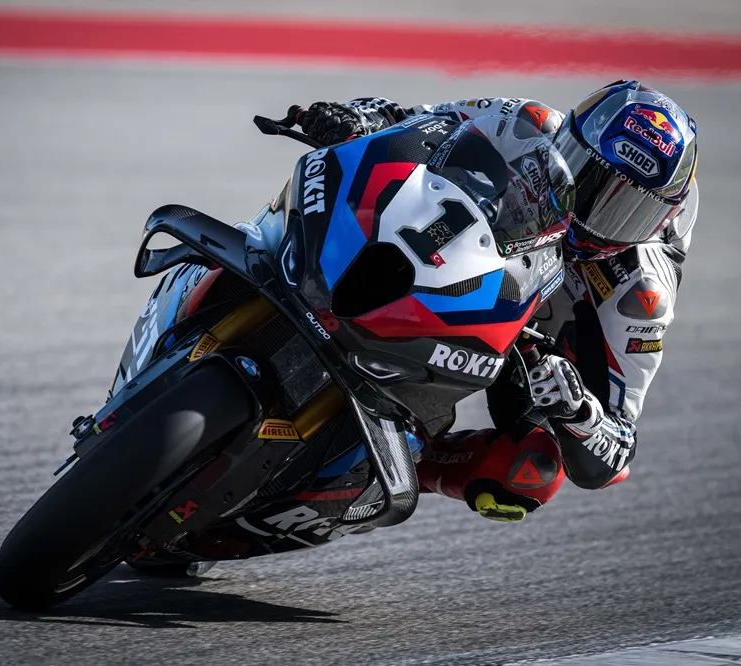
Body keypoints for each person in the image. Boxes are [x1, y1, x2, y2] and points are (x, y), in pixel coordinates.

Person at [297, 80, 698, 522]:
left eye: (627, 210)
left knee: (530, 468)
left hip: (522, 341)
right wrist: (358, 118)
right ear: (567, 139)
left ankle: (398, 468)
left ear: (661, 219)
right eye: (589, 179)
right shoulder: (527, 124)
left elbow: (616, 452)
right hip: (440, 251)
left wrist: (577, 408)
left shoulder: (640, 294)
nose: (595, 215)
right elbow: (412, 118)